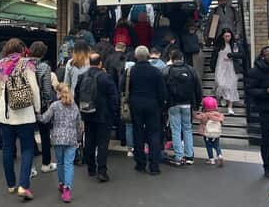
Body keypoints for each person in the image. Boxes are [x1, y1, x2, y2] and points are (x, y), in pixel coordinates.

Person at [0, 38, 41, 200]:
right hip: (25, 115)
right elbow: (34, 89)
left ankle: (11, 184)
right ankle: (24, 186)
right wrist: (37, 108)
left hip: (6, 116)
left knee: (7, 148)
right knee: (27, 149)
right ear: (21, 50)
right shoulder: (27, 64)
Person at [75, 53, 119, 182]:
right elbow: (113, 97)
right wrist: (114, 112)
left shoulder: (82, 76)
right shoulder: (105, 77)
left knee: (89, 140)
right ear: (100, 63)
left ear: (89, 62)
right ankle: (102, 171)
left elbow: (77, 95)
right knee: (102, 143)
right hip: (103, 115)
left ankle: (91, 168)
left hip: (87, 113)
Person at [124, 46, 166, 175]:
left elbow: (124, 88)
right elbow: (162, 92)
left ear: (136, 57)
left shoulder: (130, 71)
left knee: (138, 132)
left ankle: (140, 163)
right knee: (154, 133)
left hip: (136, 104)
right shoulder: (156, 71)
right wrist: (160, 105)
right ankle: (154, 165)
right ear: (148, 56)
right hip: (153, 104)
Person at [40, 83, 83, 203]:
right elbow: (79, 125)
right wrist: (78, 139)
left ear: (58, 93)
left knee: (60, 163)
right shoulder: (74, 106)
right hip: (71, 139)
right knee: (69, 164)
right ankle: (67, 189)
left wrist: (37, 114)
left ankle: (61, 183)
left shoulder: (54, 105)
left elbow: (44, 119)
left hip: (58, 139)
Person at [163, 49, 202, 167]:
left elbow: (163, 89)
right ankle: (189, 156)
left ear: (171, 58)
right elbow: (198, 88)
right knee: (188, 129)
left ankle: (179, 157)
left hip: (173, 104)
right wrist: (197, 104)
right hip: (188, 104)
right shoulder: (191, 70)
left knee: (175, 130)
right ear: (182, 58)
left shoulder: (167, 71)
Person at [246, 46, 269, 178]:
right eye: (268, 55)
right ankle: (267, 166)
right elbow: (249, 89)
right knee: (266, 139)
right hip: (266, 109)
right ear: (263, 56)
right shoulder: (256, 71)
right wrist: (266, 91)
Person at [30, 41, 57, 174]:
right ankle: (46, 164)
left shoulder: (24, 64)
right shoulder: (44, 67)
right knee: (45, 134)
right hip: (41, 104)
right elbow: (46, 89)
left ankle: (29, 168)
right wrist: (47, 102)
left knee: (28, 136)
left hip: (26, 104)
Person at [213, 29, 243, 115]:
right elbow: (214, 56)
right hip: (221, 66)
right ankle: (223, 96)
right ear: (222, 36)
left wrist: (231, 55)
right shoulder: (219, 45)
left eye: (229, 36)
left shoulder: (234, 44)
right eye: (226, 36)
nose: (227, 38)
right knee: (220, 83)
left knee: (231, 86)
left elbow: (242, 54)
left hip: (231, 67)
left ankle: (230, 107)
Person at [195, 96, 225, 166]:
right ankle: (219, 155)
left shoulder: (204, 115)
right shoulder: (219, 115)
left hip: (207, 134)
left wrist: (194, 112)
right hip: (216, 134)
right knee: (217, 145)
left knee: (209, 146)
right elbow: (221, 123)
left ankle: (211, 160)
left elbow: (196, 117)